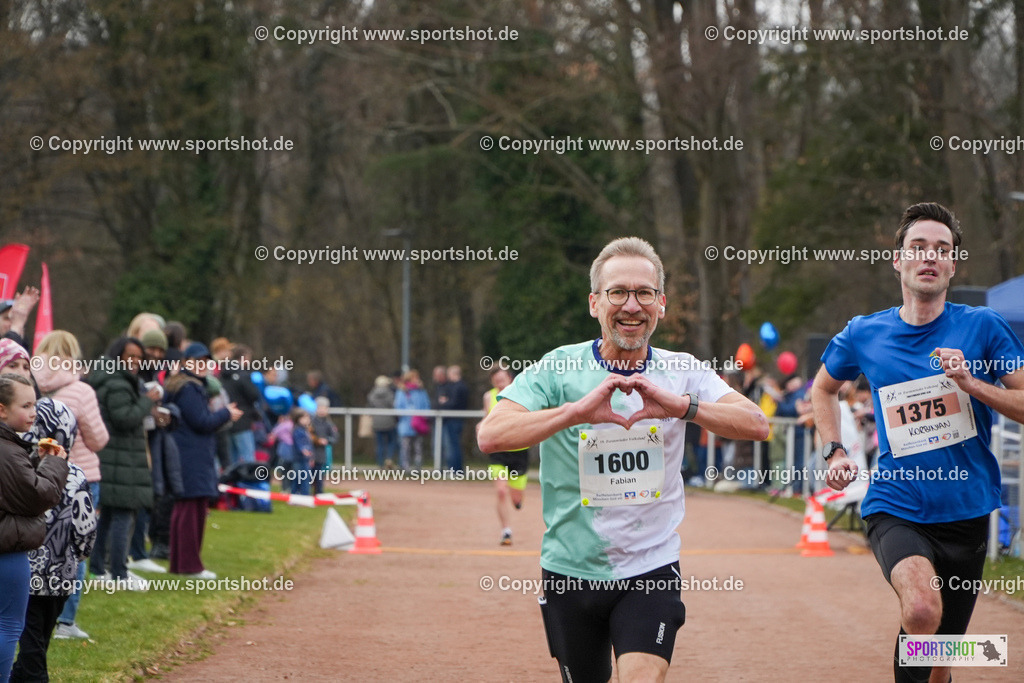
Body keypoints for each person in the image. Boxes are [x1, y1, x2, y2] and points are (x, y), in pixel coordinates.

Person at [477, 237, 768, 683]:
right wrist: (574, 413)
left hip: (651, 568)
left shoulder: (682, 370)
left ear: (661, 304)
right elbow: (491, 435)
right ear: (595, 303)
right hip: (570, 571)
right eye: (618, 293)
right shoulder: (558, 368)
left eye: (644, 293)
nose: (632, 305)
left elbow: (755, 423)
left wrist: (682, 407)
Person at [811, 202, 1024, 683]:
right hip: (896, 504)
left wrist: (971, 384)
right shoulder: (864, 333)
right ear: (898, 259)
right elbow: (823, 388)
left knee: (939, 651)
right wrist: (834, 449)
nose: (930, 256)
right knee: (923, 608)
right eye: (918, 247)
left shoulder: (983, 326)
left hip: (967, 509)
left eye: (942, 249)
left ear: (953, 265)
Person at [31, 330, 110, 639]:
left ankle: (34, 614)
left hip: (39, 475)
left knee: (40, 546)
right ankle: (65, 620)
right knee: (76, 548)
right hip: (80, 475)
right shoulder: (80, 390)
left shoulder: (27, 385)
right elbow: (98, 439)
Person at [11, 400, 94, 683]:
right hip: (62, 571)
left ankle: (23, 676)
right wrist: (80, 554)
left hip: (26, 567)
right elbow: (85, 527)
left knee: (33, 640)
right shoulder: (76, 475)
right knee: (39, 638)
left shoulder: (20, 468)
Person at [0, 374, 68, 683]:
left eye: (34, 405)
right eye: (25, 406)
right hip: (8, 551)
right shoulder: (7, 450)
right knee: (8, 626)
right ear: (2, 409)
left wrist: (35, 462)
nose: (33, 413)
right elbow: (38, 497)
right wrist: (54, 463)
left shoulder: (12, 448)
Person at [88, 337, 161, 591]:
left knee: (108, 515)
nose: (135, 361)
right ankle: (119, 572)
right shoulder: (118, 383)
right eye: (131, 356)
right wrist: (147, 401)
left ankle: (99, 569)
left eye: (139, 357)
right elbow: (124, 418)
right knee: (122, 514)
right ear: (118, 356)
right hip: (120, 458)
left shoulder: (112, 379)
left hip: (115, 457)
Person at [164, 343, 241, 579]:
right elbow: (201, 421)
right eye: (197, 361)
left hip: (187, 453)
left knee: (186, 508)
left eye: (206, 362)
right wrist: (226, 413)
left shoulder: (182, 384)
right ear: (186, 362)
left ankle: (180, 564)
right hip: (191, 455)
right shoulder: (189, 388)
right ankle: (190, 566)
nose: (202, 366)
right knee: (192, 511)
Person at [483, 368, 529, 546]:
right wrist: (482, 426)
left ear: (509, 378)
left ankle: (517, 500)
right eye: (496, 380)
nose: (499, 383)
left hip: (519, 450)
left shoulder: (520, 393)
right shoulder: (489, 396)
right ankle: (506, 531)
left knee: (516, 499)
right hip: (498, 449)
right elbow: (487, 418)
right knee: (501, 491)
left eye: (502, 379)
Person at [221, 345, 263, 465]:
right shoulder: (242, 375)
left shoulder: (223, 374)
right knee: (248, 457)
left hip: (227, 418)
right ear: (244, 358)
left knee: (232, 459)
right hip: (243, 419)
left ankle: (232, 477)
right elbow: (254, 395)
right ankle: (248, 478)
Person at [395, 370, 430, 471]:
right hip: (406, 423)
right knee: (405, 447)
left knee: (418, 447)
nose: (417, 379)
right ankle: (405, 467)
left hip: (419, 424)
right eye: (415, 377)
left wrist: (424, 416)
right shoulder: (402, 391)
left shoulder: (421, 391)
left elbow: (426, 405)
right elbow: (398, 407)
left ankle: (417, 467)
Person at [367, 376, 398, 468]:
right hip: (389, 422)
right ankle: (389, 458)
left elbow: (370, 406)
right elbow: (393, 405)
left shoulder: (372, 394)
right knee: (392, 441)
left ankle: (380, 463)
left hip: (376, 422)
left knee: (380, 444)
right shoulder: (390, 393)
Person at [442, 365, 468, 471]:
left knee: (453, 445)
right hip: (457, 419)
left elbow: (453, 403)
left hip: (454, 419)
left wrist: (444, 402)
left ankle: (455, 469)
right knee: (454, 445)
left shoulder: (458, 387)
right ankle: (456, 468)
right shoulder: (463, 386)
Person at [311, 398, 338, 495]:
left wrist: (327, 440)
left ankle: (319, 494)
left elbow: (335, 437)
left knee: (319, 477)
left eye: (324, 408)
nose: (322, 410)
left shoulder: (329, 423)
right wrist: (316, 440)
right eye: (320, 407)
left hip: (320, 455)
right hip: (310, 453)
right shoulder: (311, 421)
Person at [290, 408, 314, 495]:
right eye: (304, 418)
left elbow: (309, 444)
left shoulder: (305, 430)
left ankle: (301, 494)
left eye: (308, 418)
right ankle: (300, 495)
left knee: (304, 478)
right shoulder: (297, 430)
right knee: (300, 478)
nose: (307, 420)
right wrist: (304, 450)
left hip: (305, 459)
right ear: (298, 419)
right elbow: (300, 443)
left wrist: (311, 457)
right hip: (299, 459)